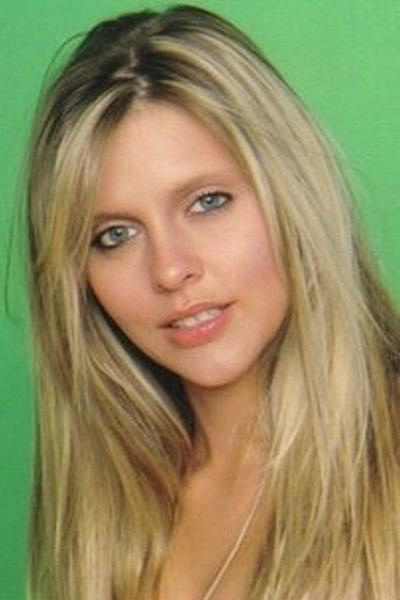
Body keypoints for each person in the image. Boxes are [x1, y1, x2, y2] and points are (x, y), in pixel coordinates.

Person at [27, 5, 400, 600]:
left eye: (207, 202)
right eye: (115, 235)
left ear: (292, 192)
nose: (170, 269)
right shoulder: (118, 496)